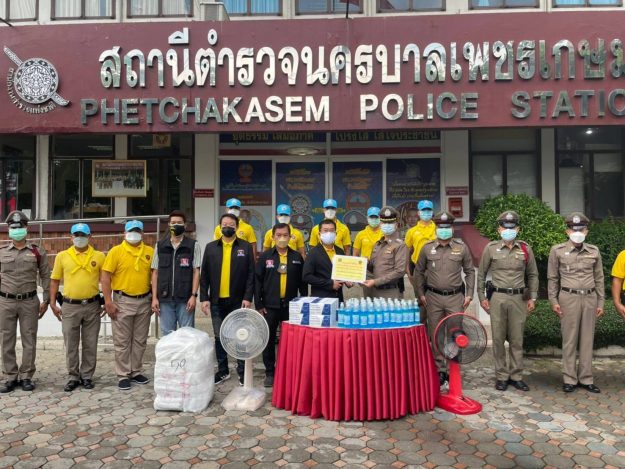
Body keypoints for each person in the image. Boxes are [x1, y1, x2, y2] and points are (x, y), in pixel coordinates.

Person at [477, 210, 539, 392]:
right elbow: (481, 274)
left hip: (519, 298)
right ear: (499, 229)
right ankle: (501, 376)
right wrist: (482, 297)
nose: (508, 230)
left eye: (512, 227)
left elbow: (533, 274)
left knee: (516, 339)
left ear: (517, 229)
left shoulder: (525, 249)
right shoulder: (491, 248)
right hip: (498, 298)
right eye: (505, 227)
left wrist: (533, 297)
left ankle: (516, 376)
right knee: (498, 339)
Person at [414, 211, 475, 386]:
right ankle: (440, 370)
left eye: (447, 227)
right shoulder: (427, 248)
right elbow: (418, 272)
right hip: (433, 298)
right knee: (436, 335)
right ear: (436, 229)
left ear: (452, 228)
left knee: (455, 333)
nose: (444, 230)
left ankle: (452, 368)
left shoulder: (461, 248)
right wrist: (420, 294)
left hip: (455, 297)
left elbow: (470, 271)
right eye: (441, 227)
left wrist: (469, 294)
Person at [548, 213, 604, 393]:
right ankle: (569, 379)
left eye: (581, 229)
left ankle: (586, 378)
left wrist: (601, 302)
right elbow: (552, 278)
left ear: (586, 231)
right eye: (574, 229)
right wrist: (553, 300)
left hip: (589, 298)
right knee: (570, 339)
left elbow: (599, 278)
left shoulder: (594, 251)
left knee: (587, 339)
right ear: (567, 231)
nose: (577, 233)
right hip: (568, 298)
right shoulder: (557, 250)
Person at [49, 223, 106, 392]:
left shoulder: (99, 256)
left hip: (92, 305)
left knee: (90, 342)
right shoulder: (62, 256)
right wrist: (52, 302)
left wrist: (106, 301)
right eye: (76, 235)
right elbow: (54, 280)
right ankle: (73, 376)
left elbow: (106, 280)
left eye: (83, 235)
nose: (79, 238)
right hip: (69, 306)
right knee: (71, 343)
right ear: (71, 237)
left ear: (90, 237)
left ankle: (87, 376)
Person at [201, 213, 255, 386]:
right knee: (219, 336)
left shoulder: (245, 247)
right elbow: (204, 274)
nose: (227, 227)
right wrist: (204, 298)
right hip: (216, 301)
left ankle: (242, 371)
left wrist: (248, 297)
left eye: (231, 225)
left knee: (240, 336)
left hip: (238, 301)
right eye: (224, 224)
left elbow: (251, 274)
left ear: (237, 227)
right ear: (219, 227)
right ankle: (223, 370)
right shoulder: (211, 247)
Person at [0, 211, 50, 393]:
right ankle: (10, 376)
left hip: (29, 301)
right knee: (6, 339)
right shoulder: (1, 252)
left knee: (29, 339)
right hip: (6, 301)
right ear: (8, 229)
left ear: (26, 228)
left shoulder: (37, 251)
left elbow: (46, 275)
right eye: (13, 228)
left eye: (19, 227)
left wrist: (47, 299)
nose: (16, 230)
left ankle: (27, 376)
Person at [101, 220, 154, 391]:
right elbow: (105, 276)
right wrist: (108, 301)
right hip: (122, 301)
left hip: (144, 300)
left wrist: (154, 298)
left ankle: (135, 371)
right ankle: (123, 374)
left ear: (142, 233)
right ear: (124, 233)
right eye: (131, 230)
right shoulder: (116, 252)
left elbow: (155, 276)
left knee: (140, 340)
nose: (134, 234)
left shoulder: (150, 251)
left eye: (137, 230)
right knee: (122, 341)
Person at [255, 223, 307, 387]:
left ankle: (288, 370)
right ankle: (270, 372)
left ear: (290, 237)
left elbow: (302, 283)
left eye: (285, 235)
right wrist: (259, 303)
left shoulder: (296, 257)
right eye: (278, 235)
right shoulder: (265, 256)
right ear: (272, 237)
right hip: (269, 306)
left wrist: (304, 301)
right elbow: (257, 281)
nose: (282, 238)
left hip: (291, 305)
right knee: (269, 339)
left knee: (290, 340)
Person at [151, 210, 201, 336]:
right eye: (173, 223)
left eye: (179, 222)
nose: (176, 225)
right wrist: (154, 298)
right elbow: (155, 273)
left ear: (185, 225)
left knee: (187, 335)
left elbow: (196, 272)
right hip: (165, 299)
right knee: (167, 336)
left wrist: (193, 296)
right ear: (169, 225)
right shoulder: (160, 246)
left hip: (186, 299)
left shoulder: (193, 245)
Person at [361, 206, 408, 299]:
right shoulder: (377, 244)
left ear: (396, 225)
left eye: (390, 223)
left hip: (391, 292)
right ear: (380, 224)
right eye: (384, 222)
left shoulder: (400, 245)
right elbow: (374, 268)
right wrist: (366, 263)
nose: (387, 225)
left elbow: (399, 271)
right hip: (375, 292)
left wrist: (375, 282)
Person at [303, 219, 349, 301]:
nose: (329, 233)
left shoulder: (340, 251)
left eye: (332, 230)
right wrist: (330, 284)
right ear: (319, 233)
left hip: (338, 297)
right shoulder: (313, 253)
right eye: (325, 230)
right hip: (321, 299)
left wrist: (347, 280)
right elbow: (307, 277)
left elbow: (342, 272)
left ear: (336, 233)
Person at [405, 200, 436, 277]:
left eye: (428, 210)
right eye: (423, 210)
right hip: (417, 266)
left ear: (432, 212)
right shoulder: (411, 231)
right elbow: (407, 250)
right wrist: (407, 268)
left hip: (436, 266)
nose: (426, 213)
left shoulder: (438, 229)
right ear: (419, 213)